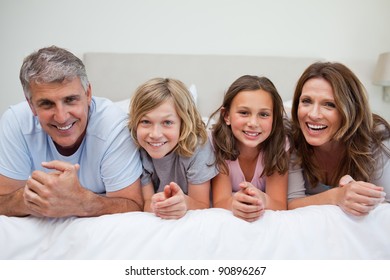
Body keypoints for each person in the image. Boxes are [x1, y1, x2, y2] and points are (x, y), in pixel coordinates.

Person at [0, 46, 143, 218]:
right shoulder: (15, 121)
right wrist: (33, 199)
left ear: (88, 94)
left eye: (70, 100)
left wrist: (81, 202)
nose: (61, 117)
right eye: (47, 104)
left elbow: (133, 205)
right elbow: (3, 201)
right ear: (31, 105)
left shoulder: (114, 126)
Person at [288, 61, 390, 216]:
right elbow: (291, 204)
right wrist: (336, 196)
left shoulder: (376, 136)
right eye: (306, 101)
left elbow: (386, 205)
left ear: (350, 109)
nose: (313, 114)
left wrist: (361, 195)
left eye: (329, 104)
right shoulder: (291, 136)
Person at [128, 77, 218, 219]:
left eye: (167, 122)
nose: (155, 134)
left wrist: (185, 202)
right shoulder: (136, 148)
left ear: (184, 123)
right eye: (145, 121)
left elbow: (202, 204)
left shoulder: (198, 147)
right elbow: (147, 202)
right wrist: (157, 206)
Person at [209, 75, 290, 222]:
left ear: (274, 118)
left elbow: (280, 204)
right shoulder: (216, 144)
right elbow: (220, 202)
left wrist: (263, 200)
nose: (253, 123)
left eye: (264, 114)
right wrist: (234, 203)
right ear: (226, 116)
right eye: (244, 113)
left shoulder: (279, 145)